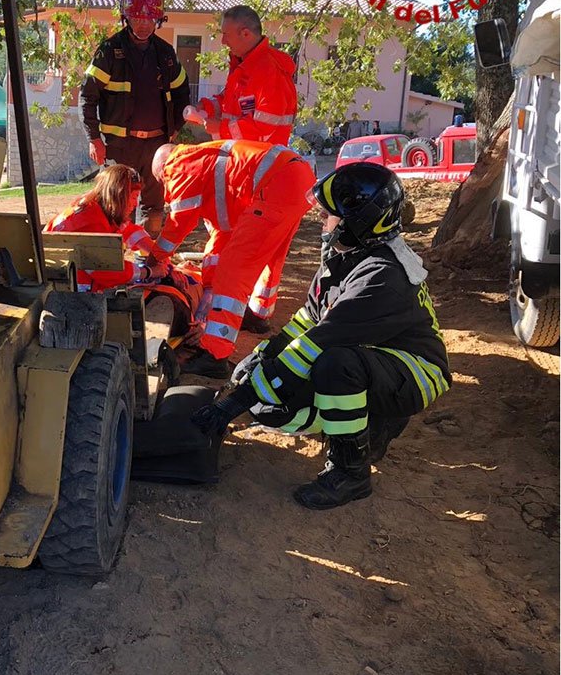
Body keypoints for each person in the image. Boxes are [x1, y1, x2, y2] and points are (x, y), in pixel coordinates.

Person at [191, 162, 451, 509]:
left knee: (333, 366)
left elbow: (319, 341)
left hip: (417, 372)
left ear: (357, 222)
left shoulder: (382, 276)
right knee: (273, 392)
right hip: (376, 356)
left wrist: (238, 400)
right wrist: (263, 357)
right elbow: (307, 320)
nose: (322, 223)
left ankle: (351, 473)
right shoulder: (346, 256)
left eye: (329, 216)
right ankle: (369, 427)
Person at [145, 140, 316, 378]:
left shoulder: (179, 165)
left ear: (163, 168)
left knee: (232, 271)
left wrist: (154, 259)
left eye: (161, 180)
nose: (165, 186)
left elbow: (177, 224)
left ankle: (214, 355)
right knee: (269, 256)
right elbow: (220, 236)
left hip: (277, 184)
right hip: (295, 178)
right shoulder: (209, 166)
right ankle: (257, 316)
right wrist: (208, 290)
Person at [80, 0, 190, 236]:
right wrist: (94, 138)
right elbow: (87, 97)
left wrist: (174, 128)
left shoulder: (166, 54)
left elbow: (182, 91)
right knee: (113, 204)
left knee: (154, 207)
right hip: (119, 147)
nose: (143, 24)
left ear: (158, 20)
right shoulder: (109, 51)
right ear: (125, 18)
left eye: (149, 19)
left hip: (156, 147)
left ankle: (147, 262)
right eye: (137, 18)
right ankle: (109, 260)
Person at [185, 5, 297, 146]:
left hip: (261, 162)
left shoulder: (269, 71)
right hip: (243, 158)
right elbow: (231, 103)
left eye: (226, 34)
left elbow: (263, 127)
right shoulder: (244, 64)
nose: (223, 41)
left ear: (246, 34)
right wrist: (206, 107)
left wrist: (221, 128)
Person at [44, 164, 162, 291]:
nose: (135, 204)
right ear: (119, 195)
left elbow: (126, 229)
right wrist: (149, 272)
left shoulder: (92, 208)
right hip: (77, 293)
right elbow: (109, 270)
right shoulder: (91, 223)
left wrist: (158, 253)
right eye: (133, 197)